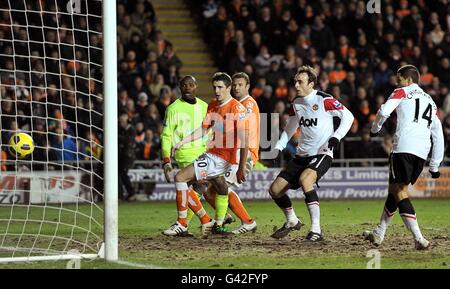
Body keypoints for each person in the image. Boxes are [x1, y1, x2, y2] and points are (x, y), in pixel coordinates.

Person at [363, 65, 444, 250]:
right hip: (422, 152)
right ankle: (379, 232)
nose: (396, 82)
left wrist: (375, 130)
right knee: (396, 190)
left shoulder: (401, 92)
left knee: (399, 191)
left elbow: (384, 111)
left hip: (403, 148)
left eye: (398, 79)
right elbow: (438, 132)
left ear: (408, 80)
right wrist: (434, 165)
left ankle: (419, 238)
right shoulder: (430, 101)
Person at [270, 65, 354, 241]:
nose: (296, 85)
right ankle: (292, 220)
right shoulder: (296, 102)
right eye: (295, 82)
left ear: (312, 84)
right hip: (302, 155)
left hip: (322, 153)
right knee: (275, 190)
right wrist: (279, 146)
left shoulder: (324, 99)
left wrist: (336, 137)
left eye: (300, 82)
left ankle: (316, 229)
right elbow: (291, 126)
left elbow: (348, 116)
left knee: (306, 180)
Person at [165, 72, 250, 236]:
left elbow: (244, 140)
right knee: (220, 187)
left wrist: (241, 167)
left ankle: (183, 223)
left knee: (180, 178)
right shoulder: (212, 105)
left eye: (220, 87)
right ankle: (218, 225)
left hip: (220, 158)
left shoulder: (237, 108)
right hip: (213, 154)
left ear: (228, 88)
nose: (216, 91)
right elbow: (204, 129)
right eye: (214, 87)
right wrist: (182, 142)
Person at [204, 72, 259, 235]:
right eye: (234, 84)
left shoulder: (246, 105)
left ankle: (247, 222)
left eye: (240, 84)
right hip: (231, 153)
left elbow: (242, 134)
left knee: (218, 187)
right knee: (209, 191)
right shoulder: (232, 105)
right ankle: (225, 217)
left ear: (247, 86)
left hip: (244, 154)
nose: (236, 87)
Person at [118, 113, 136, 201]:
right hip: (123, 156)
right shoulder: (122, 129)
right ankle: (122, 193)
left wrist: (116, 136)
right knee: (120, 174)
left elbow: (128, 141)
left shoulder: (131, 129)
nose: (120, 123)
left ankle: (131, 192)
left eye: (122, 121)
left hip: (128, 156)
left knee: (123, 173)